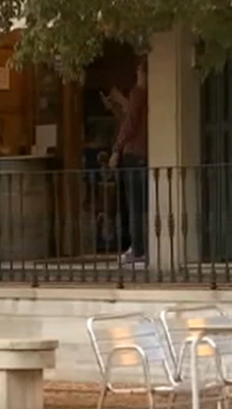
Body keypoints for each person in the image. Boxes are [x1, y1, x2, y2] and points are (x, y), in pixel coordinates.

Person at [108, 59, 148, 265]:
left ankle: (138, 248)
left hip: (134, 153)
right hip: (148, 154)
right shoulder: (154, 95)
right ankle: (144, 246)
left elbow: (130, 122)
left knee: (135, 204)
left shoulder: (139, 93)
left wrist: (116, 149)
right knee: (145, 204)